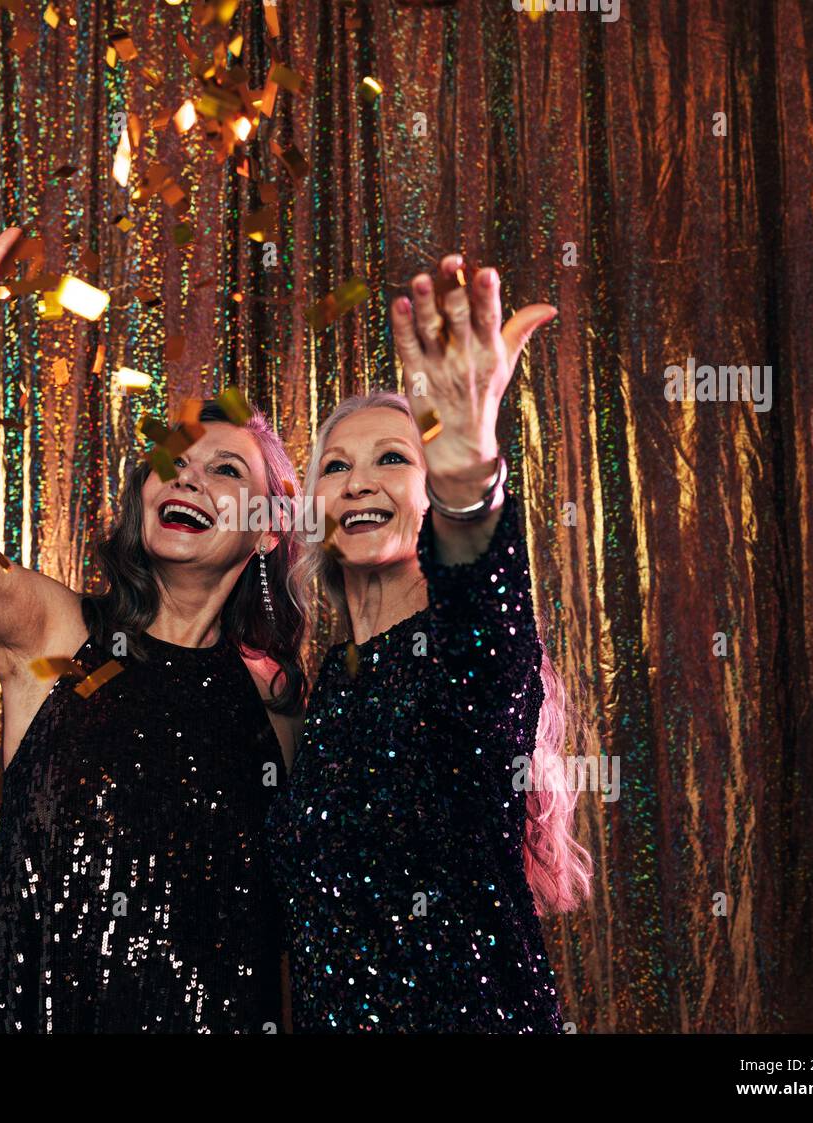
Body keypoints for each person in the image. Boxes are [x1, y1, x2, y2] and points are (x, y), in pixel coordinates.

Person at [0, 153, 306, 1032]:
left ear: (268, 529)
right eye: (173, 459)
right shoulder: (56, 635)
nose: (187, 475)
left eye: (226, 469)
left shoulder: (279, 705)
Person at [266, 255, 593, 1032]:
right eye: (335, 466)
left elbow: (483, 603)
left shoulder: (459, 650)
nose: (358, 482)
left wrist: (468, 475)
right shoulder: (331, 686)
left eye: (393, 458)